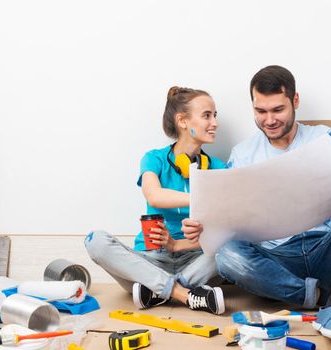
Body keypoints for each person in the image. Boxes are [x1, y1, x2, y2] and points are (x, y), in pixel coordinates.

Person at [182, 66, 331, 348]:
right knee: (226, 254)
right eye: (261, 111)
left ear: (295, 101)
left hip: (328, 249)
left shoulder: (326, 139)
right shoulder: (243, 154)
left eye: (277, 110)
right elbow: (228, 221)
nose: (269, 120)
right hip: (278, 259)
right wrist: (202, 227)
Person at [85, 86, 226, 315]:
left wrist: (178, 244)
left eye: (215, 115)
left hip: (195, 259)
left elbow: (226, 227)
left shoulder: (219, 168)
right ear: (182, 121)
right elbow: (154, 195)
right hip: (150, 259)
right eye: (206, 115)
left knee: (238, 245)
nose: (215, 123)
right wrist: (202, 198)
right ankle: (184, 294)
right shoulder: (154, 158)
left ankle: (155, 291)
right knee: (95, 241)